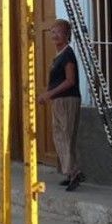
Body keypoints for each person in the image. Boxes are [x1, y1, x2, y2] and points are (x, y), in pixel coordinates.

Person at [37, 19, 84, 191]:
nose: (54, 35)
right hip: (59, 101)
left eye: (58, 32)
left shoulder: (68, 54)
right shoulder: (58, 55)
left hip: (67, 100)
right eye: (53, 32)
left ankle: (74, 173)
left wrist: (49, 94)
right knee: (60, 136)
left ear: (66, 35)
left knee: (66, 136)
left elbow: (70, 81)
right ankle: (71, 172)